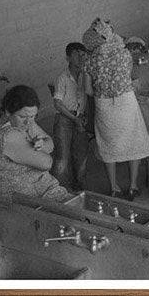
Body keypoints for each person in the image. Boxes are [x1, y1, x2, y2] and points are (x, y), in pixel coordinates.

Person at [84, 17, 149, 201]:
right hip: (126, 102)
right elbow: (129, 77)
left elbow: (88, 91)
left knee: (108, 144)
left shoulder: (90, 60)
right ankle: (133, 186)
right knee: (134, 139)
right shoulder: (124, 54)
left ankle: (114, 187)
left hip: (104, 105)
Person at [0, 84, 72, 220]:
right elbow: (47, 163)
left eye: (33, 116)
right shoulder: (9, 136)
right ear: (8, 112)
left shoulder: (16, 120)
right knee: (84, 216)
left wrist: (40, 145)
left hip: (29, 197)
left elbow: (50, 143)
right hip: (18, 206)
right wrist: (40, 148)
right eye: (24, 117)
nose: (29, 123)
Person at [51, 41, 90, 190]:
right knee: (62, 158)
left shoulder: (86, 75)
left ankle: (80, 189)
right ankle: (57, 191)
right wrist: (74, 119)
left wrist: (80, 119)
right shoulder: (62, 78)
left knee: (81, 156)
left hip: (80, 117)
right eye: (76, 55)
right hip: (65, 118)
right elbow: (57, 103)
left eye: (83, 55)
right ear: (68, 58)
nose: (81, 59)